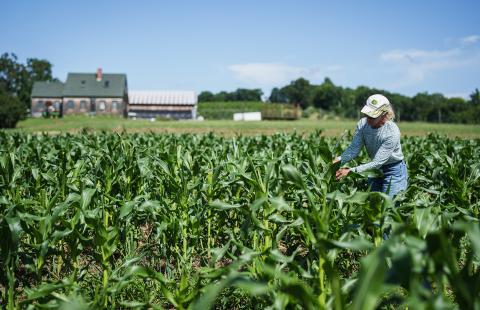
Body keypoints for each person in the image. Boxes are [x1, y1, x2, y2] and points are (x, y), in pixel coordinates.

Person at [333, 94, 408, 198]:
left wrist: (350, 171)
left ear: (384, 114)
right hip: (373, 170)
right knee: (373, 206)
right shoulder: (362, 124)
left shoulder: (392, 132)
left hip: (393, 171)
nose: (368, 119)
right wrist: (337, 161)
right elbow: (354, 149)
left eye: (372, 116)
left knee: (390, 207)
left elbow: (377, 162)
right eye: (367, 115)